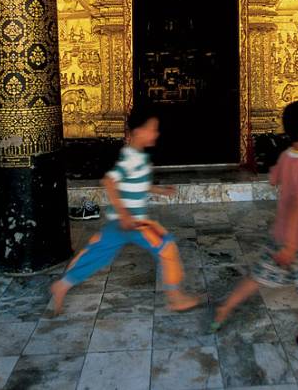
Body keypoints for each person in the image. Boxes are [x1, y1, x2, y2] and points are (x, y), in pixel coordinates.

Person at [211, 101, 298, 345]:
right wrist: (292, 246)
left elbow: (274, 179)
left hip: (281, 236)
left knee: (258, 276)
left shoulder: (286, 157)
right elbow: (297, 206)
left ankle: (225, 308)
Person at [50, 107, 200, 314]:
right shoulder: (131, 158)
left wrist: (161, 191)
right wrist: (125, 214)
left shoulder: (136, 156)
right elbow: (109, 181)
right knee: (167, 246)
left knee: (98, 254)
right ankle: (175, 298)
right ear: (138, 132)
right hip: (133, 223)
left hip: (120, 224)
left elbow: (137, 183)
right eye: (152, 129)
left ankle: (62, 285)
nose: (156, 134)